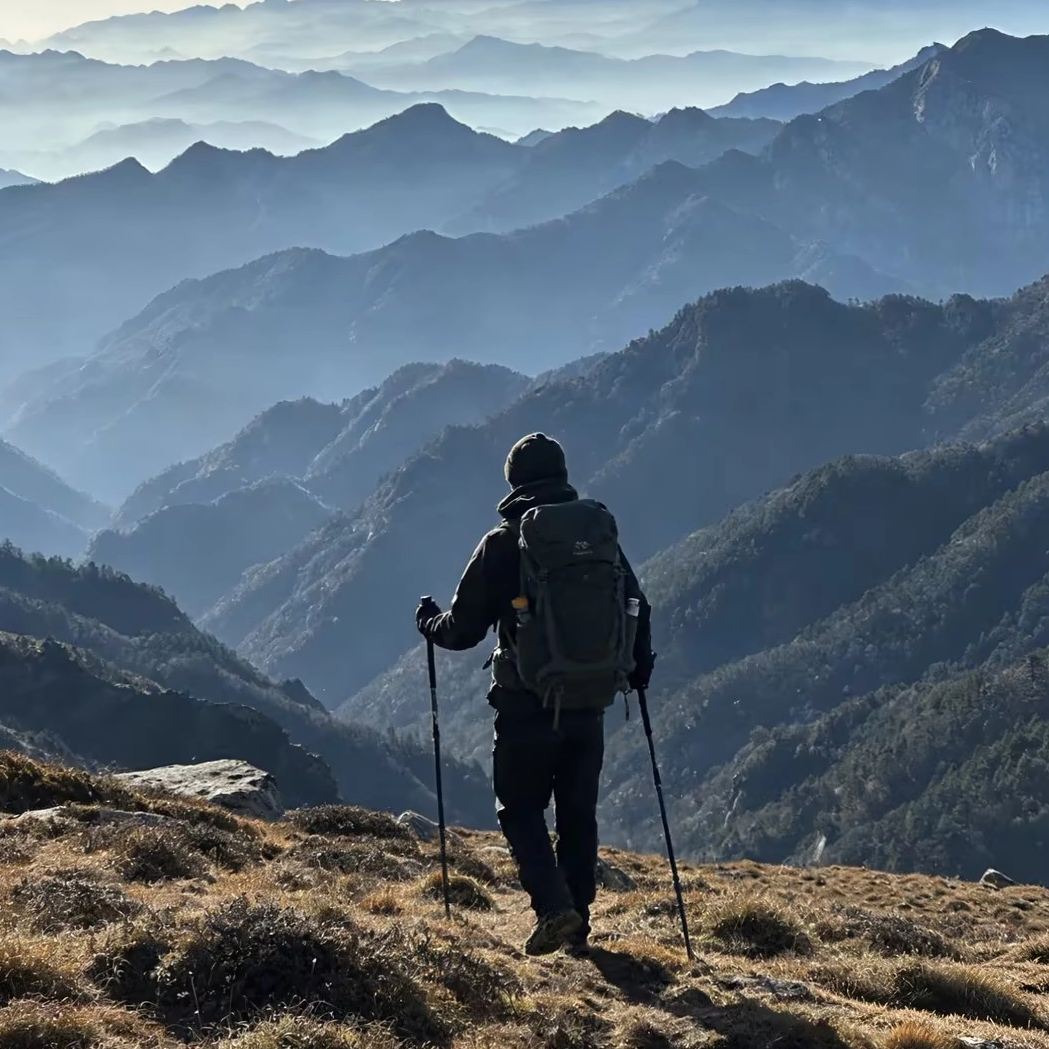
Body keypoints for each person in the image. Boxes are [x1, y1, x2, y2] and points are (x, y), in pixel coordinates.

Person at [416, 432, 655, 956]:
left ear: (514, 482)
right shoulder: (599, 538)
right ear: (563, 476)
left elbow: (462, 631)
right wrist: (638, 671)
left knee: (520, 808)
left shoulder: (504, 543)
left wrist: (428, 622)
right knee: (577, 813)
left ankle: (554, 909)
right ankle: (580, 919)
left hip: (527, 703)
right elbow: (638, 606)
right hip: (591, 700)